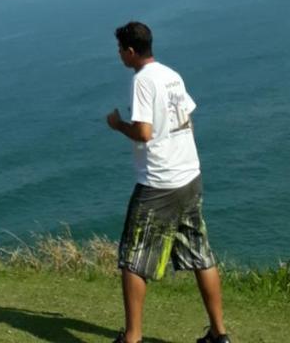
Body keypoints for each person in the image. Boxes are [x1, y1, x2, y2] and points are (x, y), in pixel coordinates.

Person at [106, 21, 229, 343]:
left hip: (159, 182)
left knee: (133, 259)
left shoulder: (143, 81)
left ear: (131, 51)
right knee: (200, 253)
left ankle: (132, 338)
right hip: (189, 174)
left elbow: (144, 133)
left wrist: (118, 124)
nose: (119, 55)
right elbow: (186, 116)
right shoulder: (171, 75)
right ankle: (219, 334)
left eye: (120, 49)